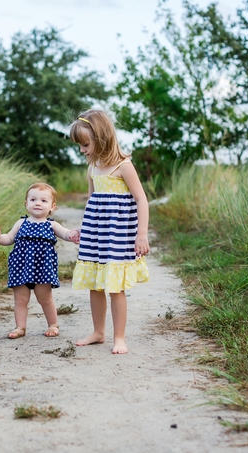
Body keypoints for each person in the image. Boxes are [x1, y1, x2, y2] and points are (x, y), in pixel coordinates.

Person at [69, 109, 150, 354]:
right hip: (96, 233)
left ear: (101, 137)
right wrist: (84, 228)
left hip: (117, 235)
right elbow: (92, 200)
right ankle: (98, 332)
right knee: (95, 284)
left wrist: (142, 233)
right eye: (80, 146)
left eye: (85, 144)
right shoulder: (93, 168)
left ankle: (120, 337)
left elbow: (141, 200)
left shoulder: (124, 166)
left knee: (115, 287)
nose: (83, 150)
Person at [0, 183, 79, 339]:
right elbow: (9, 238)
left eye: (44, 201)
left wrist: (72, 235)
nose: (38, 203)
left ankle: (53, 324)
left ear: (52, 206)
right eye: (33, 199)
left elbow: (65, 234)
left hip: (43, 268)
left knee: (45, 297)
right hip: (21, 267)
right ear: (26, 204)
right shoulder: (20, 223)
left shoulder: (51, 225)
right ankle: (20, 327)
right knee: (21, 298)